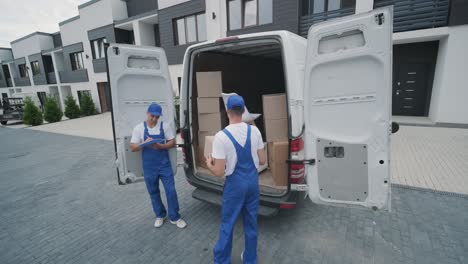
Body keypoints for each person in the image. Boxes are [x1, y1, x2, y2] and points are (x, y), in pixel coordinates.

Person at [206, 95, 266, 264]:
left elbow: (218, 171)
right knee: (251, 223)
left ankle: (222, 260)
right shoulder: (254, 131)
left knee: (228, 224)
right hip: (253, 183)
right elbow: (262, 161)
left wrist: (209, 163)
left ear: (227, 111)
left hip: (235, 186)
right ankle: (250, 259)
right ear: (243, 110)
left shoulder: (221, 136)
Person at [130, 103, 187, 229]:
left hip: (164, 165)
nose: (155, 119)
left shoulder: (164, 126)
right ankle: (160, 215)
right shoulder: (139, 128)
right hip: (149, 167)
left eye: (157, 117)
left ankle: (175, 217)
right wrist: (143, 144)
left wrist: (161, 146)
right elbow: (133, 147)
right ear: (147, 113)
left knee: (171, 191)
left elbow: (173, 141)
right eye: (152, 116)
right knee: (153, 192)